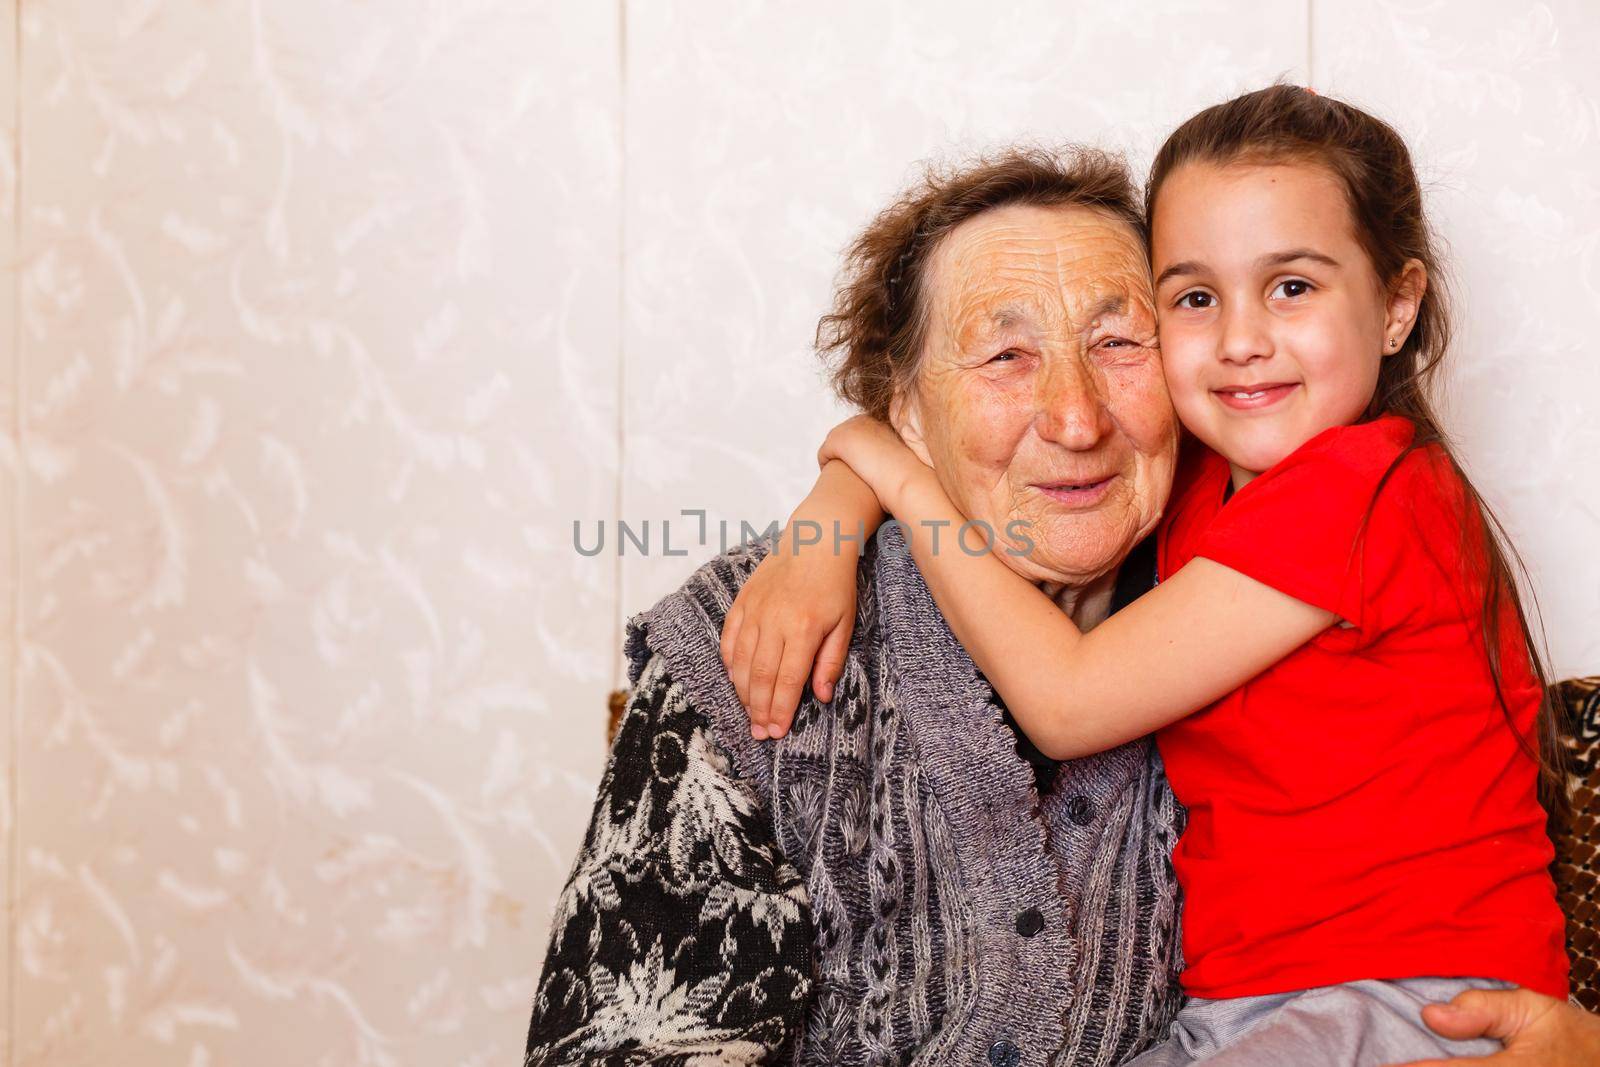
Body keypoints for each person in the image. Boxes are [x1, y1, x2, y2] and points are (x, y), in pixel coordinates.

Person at [524, 145, 1600, 1067]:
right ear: (906, 401)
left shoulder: (1221, 561)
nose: (1076, 417)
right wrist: (842, 497)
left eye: (1118, 342)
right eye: (1003, 355)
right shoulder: (760, 629)